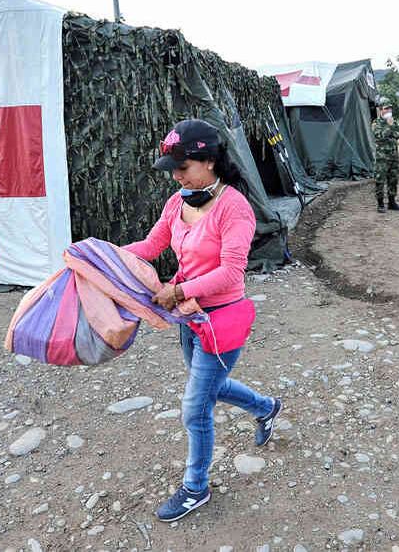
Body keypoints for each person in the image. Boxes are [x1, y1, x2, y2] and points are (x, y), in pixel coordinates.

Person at [123, 118, 282, 523]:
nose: (176, 176)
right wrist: (99, 254)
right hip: (188, 318)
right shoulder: (178, 202)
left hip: (221, 320)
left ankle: (196, 488)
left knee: (195, 408)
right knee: (210, 385)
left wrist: (177, 290)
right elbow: (152, 244)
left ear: (209, 161)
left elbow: (231, 273)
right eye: (172, 169)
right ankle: (266, 408)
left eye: (183, 167)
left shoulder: (235, 208)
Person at [372, 99, 399, 212]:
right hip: (382, 157)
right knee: (380, 180)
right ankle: (380, 204)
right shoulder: (376, 123)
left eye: (390, 108)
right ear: (380, 110)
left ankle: (392, 202)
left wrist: (391, 128)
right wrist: (390, 127)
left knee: (393, 179)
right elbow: (380, 136)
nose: (388, 111)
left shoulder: (393, 121)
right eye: (386, 109)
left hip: (394, 156)